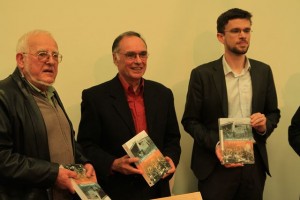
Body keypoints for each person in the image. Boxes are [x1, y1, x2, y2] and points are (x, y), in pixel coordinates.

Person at [181, 8, 280, 200]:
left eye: (247, 30)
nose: (243, 35)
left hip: (253, 166)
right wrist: (217, 145)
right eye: (235, 31)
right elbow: (190, 121)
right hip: (215, 165)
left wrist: (263, 126)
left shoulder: (263, 71)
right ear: (220, 37)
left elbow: (273, 113)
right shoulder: (202, 75)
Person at [77, 31, 181, 200]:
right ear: (115, 58)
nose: (138, 61)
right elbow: (86, 145)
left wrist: (171, 159)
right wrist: (113, 164)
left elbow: (172, 139)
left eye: (143, 54)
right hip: (117, 189)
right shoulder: (95, 97)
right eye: (131, 55)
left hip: (157, 189)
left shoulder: (163, 94)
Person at [0, 30, 96, 200]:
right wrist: (53, 174)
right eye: (42, 54)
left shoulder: (50, 93)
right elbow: (3, 158)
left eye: (55, 55)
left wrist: (84, 162)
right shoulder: (4, 95)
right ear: (21, 60)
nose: (51, 61)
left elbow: (65, 138)